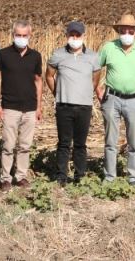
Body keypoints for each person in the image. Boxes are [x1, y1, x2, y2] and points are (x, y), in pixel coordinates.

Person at [96, 14, 135, 185]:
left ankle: (133, 176)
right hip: (112, 98)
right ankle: (109, 176)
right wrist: (98, 89)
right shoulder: (109, 47)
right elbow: (96, 68)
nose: (127, 33)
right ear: (119, 31)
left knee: (134, 141)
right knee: (110, 141)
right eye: (124, 30)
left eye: (131, 31)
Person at [45, 21, 101, 185]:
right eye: (71, 35)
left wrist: (87, 92)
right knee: (63, 143)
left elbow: (96, 76)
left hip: (84, 106)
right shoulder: (58, 54)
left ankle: (79, 176)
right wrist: (57, 92)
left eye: (78, 35)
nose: (74, 38)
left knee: (80, 143)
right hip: (64, 106)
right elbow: (49, 75)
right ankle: (61, 176)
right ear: (67, 35)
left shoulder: (92, 56)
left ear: (84, 36)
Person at [0, 20, 43, 191]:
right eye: (18, 35)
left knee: (25, 146)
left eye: (24, 35)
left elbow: (38, 81)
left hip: (29, 108)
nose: (21, 38)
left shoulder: (35, 56)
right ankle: (5, 178)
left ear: (30, 35)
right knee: (8, 145)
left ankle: (20, 176)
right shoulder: (3, 54)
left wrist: (39, 106)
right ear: (13, 35)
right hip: (9, 107)